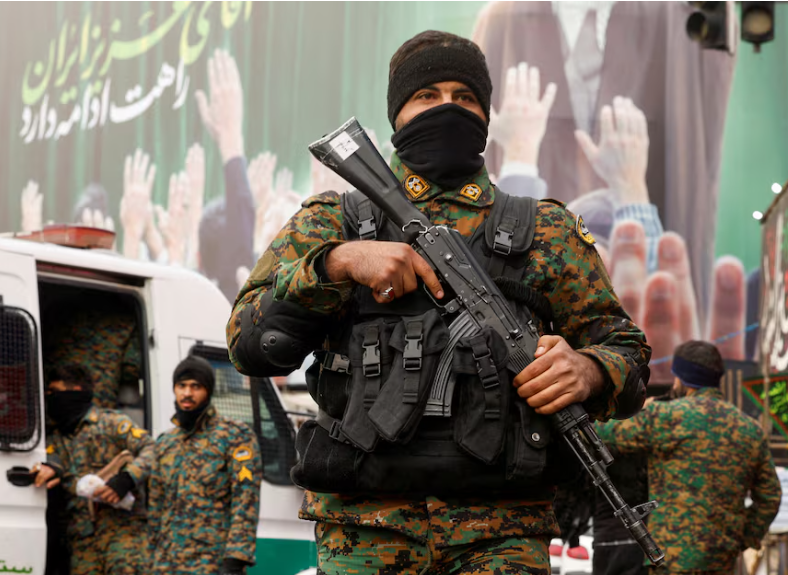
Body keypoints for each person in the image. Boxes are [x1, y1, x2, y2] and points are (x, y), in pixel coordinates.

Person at [228, 30, 650, 574]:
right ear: (397, 113)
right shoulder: (334, 221)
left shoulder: (546, 231)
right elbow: (249, 344)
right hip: (364, 529)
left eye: (464, 97)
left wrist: (589, 371)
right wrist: (338, 264)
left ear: (486, 114)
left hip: (502, 533)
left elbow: (628, 353)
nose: (448, 108)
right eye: (428, 96)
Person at [597, 340, 782, 573]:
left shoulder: (665, 416)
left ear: (681, 379)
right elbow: (770, 497)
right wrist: (742, 539)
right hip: (722, 560)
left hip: (671, 558)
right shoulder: (750, 429)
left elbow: (601, 434)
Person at [147, 355, 262, 574]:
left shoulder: (235, 436)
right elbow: (156, 506)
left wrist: (235, 559)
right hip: (166, 564)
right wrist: (151, 557)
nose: (187, 393)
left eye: (195, 386)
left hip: (211, 563)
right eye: (181, 386)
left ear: (208, 390)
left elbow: (245, 500)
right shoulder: (165, 442)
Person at [45, 363, 153, 575]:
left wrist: (127, 479)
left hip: (123, 535)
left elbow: (151, 449)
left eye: (54, 392)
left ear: (75, 391)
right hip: (82, 542)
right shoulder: (54, 440)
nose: (50, 398)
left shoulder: (111, 423)